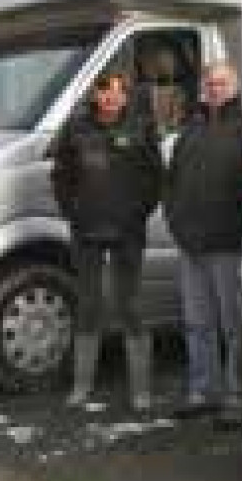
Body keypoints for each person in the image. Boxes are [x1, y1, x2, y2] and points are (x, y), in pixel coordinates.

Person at [164, 62, 242, 429]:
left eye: (221, 83)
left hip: (228, 245)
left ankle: (239, 398)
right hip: (191, 245)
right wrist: (174, 220)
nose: (214, 89)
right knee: (197, 324)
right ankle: (203, 391)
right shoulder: (192, 128)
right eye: (210, 84)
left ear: (234, 87)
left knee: (233, 326)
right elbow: (171, 181)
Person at [49, 71, 164, 411]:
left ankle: (141, 392)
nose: (112, 98)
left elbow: (156, 177)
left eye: (118, 93)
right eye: (106, 92)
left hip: (128, 231)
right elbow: (60, 175)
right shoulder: (76, 127)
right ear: (97, 96)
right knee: (88, 306)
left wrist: (139, 213)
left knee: (130, 307)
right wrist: (73, 212)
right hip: (86, 230)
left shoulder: (142, 127)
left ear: (126, 97)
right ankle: (82, 387)